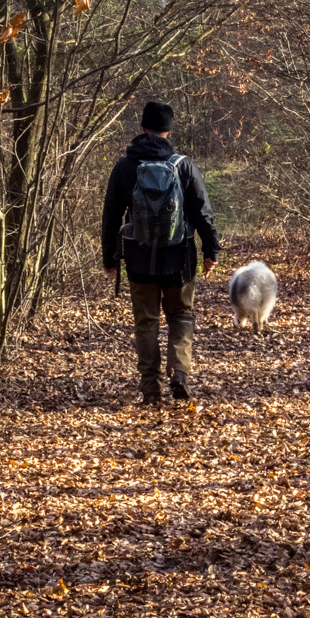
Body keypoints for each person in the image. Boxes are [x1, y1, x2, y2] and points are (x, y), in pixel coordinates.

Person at [102, 102, 220, 403]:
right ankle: (179, 374)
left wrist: (110, 257)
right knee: (181, 315)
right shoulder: (183, 165)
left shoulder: (125, 167)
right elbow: (202, 212)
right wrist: (211, 250)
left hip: (139, 259)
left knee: (146, 321)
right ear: (169, 131)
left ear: (142, 129)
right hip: (179, 258)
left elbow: (111, 215)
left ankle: (151, 389)